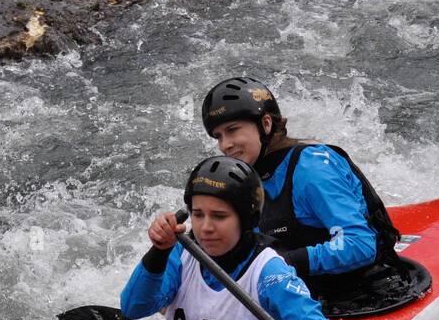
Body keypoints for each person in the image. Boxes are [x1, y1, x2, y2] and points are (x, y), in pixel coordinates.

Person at [121, 155, 364, 320]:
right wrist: (158, 251)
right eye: (198, 214)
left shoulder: (269, 273)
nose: (205, 227)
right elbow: (133, 308)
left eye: (219, 216)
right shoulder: (180, 254)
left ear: (245, 219)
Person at [149, 75, 402, 301]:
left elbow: (360, 244)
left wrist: (281, 263)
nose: (225, 145)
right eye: (218, 136)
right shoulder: (241, 180)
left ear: (266, 124)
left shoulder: (311, 168)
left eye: (233, 130)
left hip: (361, 294)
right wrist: (164, 248)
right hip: (294, 298)